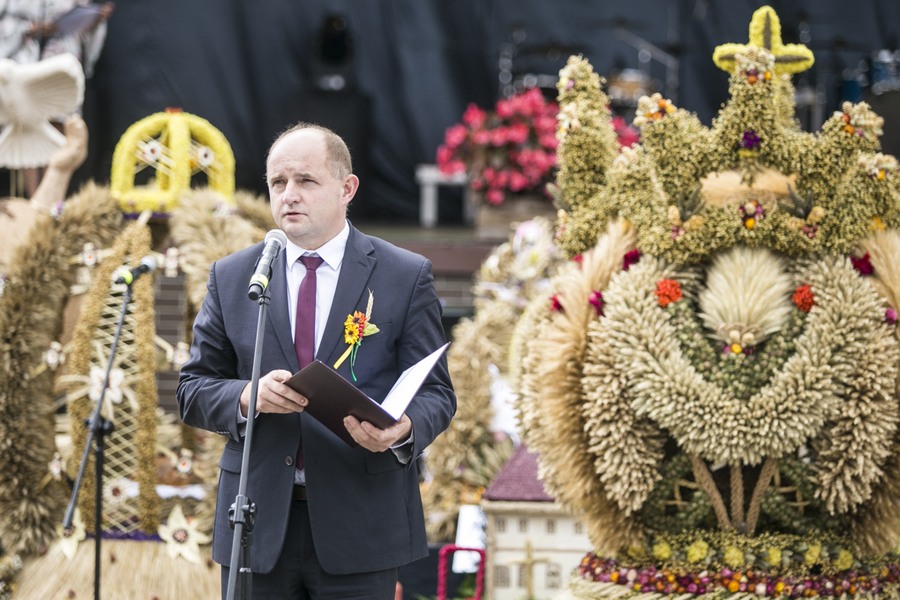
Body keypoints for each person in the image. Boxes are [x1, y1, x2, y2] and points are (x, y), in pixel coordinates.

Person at [177, 123, 456, 599]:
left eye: (306, 181)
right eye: (277, 183)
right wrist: (248, 396)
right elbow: (192, 388)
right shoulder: (235, 276)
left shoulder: (403, 276)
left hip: (361, 522)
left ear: (347, 189)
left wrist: (403, 429)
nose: (289, 195)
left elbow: (437, 393)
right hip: (257, 522)